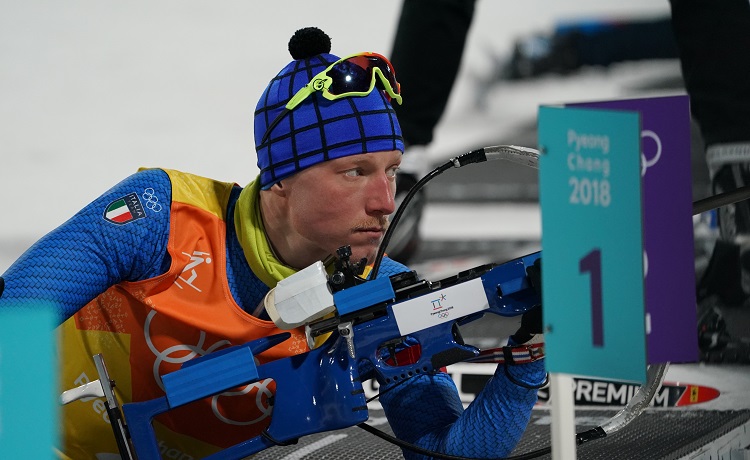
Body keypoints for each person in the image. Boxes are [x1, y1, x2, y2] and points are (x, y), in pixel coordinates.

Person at [0, 27, 546, 459]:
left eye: (392, 171)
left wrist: (526, 365)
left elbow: (439, 452)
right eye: (354, 172)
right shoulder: (162, 215)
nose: (385, 202)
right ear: (280, 178)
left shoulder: (383, 292)